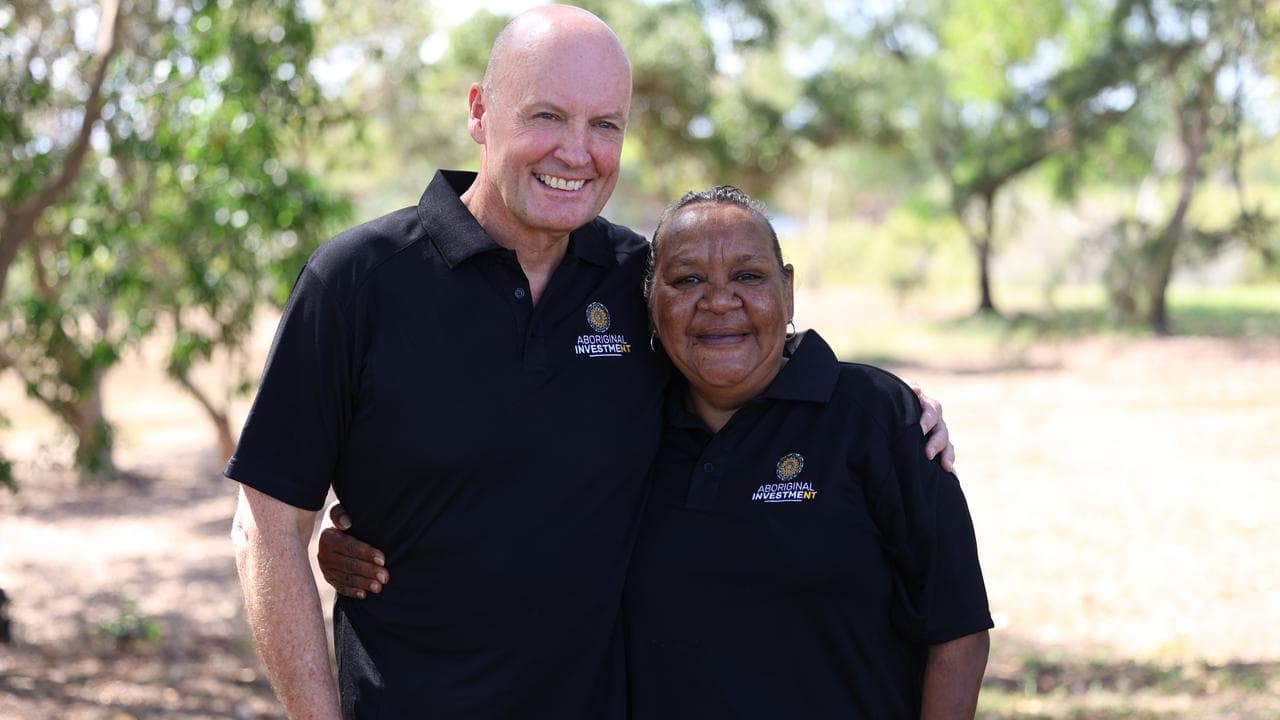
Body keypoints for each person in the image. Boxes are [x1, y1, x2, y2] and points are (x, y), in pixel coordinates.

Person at [229, 6, 953, 719]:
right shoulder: (358, 281)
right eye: (547, 116)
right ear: (480, 112)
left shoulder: (640, 282)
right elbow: (268, 531)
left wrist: (891, 407)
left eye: (605, 125)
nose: (577, 153)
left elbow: (742, 354)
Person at [321, 187, 991, 718]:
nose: (719, 301)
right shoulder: (625, 420)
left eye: (749, 275)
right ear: (649, 304)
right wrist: (377, 533)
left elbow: (957, 630)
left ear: (787, 290)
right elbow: (506, 493)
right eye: (687, 279)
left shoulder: (873, 415)